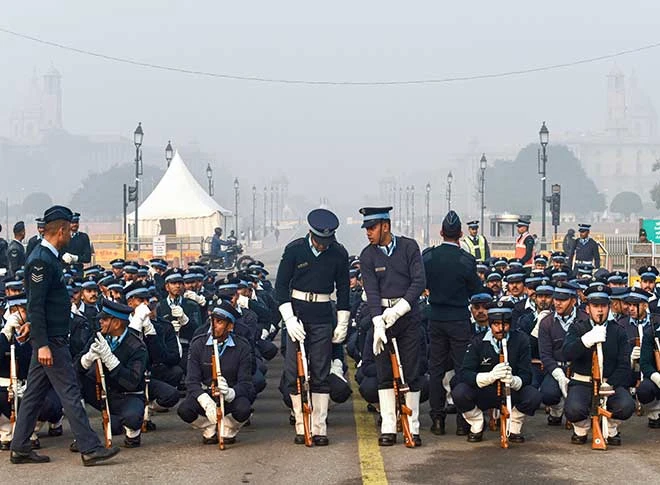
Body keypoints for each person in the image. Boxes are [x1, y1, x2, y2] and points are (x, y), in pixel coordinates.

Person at [10, 205, 120, 465]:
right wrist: (42, 343)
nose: (72, 235)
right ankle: (90, 448)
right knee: (70, 392)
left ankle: (20, 446)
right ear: (61, 230)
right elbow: (35, 304)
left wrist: (36, 334)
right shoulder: (40, 260)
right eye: (69, 230)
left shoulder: (48, 256)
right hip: (52, 341)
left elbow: (43, 303)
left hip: (49, 337)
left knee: (34, 394)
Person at [276, 208, 349, 446]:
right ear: (311, 233)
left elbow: (344, 290)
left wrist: (342, 322)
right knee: (292, 372)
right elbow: (280, 287)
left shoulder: (338, 253)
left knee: (320, 372)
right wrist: (288, 318)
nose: (323, 246)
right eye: (319, 241)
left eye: (327, 241)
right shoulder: (295, 249)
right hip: (297, 312)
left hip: (322, 315)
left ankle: (319, 427)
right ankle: (301, 424)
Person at [359, 206, 425, 447]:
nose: (368, 233)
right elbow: (372, 291)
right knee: (384, 372)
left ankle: (413, 426)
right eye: (366, 228)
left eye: (372, 228)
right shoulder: (367, 255)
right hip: (382, 318)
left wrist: (398, 310)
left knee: (411, 371)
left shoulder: (409, 247)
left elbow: (419, 282)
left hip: (406, 315)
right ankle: (388, 426)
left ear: (385, 226)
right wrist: (377, 321)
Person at [423, 211, 481, 436]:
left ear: (441, 233)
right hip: (458, 318)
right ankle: (461, 421)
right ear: (461, 234)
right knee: (461, 369)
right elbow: (475, 290)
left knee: (436, 369)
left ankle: (437, 419)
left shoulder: (428, 257)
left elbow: (422, 282)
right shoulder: (466, 260)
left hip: (436, 316)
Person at [452, 300, 542, 443]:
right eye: (496, 324)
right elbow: (465, 373)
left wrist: (513, 380)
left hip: (510, 391)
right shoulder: (478, 341)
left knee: (533, 396)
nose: (501, 329)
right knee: (459, 392)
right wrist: (489, 377)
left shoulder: (521, 340)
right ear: (489, 324)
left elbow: (527, 375)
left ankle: (514, 424)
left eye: (505, 324)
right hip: (485, 391)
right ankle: (477, 423)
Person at [563, 284, 634, 446]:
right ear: (588, 308)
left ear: (609, 307)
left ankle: (611, 427)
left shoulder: (618, 331)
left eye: (603, 306)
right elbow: (566, 353)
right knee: (574, 409)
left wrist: (610, 384)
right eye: (595, 306)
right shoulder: (578, 328)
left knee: (625, 405)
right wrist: (585, 341)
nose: (600, 311)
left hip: (609, 383)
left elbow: (624, 365)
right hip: (583, 382)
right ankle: (582, 428)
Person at [178, 301, 255, 445]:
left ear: (230, 326)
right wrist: (205, 401)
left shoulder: (242, 346)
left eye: (219, 322)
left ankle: (228, 426)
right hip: (206, 393)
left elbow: (246, 383)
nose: (214, 326)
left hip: (229, 395)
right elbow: (191, 381)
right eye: (212, 321)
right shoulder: (198, 344)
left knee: (244, 409)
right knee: (185, 410)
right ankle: (209, 426)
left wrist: (231, 393)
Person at [75, 299, 148, 448]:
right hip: (105, 392)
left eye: (105, 319)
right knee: (75, 382)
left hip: (129, 395)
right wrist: (87, 359)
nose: (100, 322)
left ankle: (132, 433)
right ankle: (82, 435)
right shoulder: (98, 337)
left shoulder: (137, 346)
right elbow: (75, 367)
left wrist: (110, 360)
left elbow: (132, 382)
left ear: (117, 323)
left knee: (131, 419)